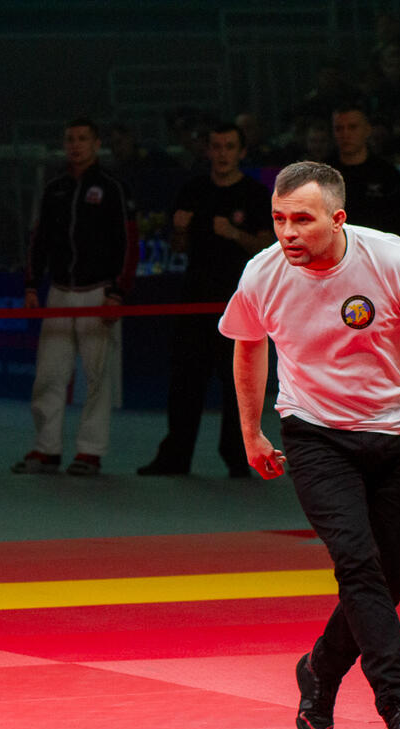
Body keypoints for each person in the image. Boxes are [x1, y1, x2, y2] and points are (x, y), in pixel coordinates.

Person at [222, 160, 400, 729]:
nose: (288, 232)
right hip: (316, 436)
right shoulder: (263, 273)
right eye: (279, 218)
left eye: (303, 220)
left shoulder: (393, 262)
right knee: (359, 567)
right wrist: (251, 433)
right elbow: (248, 346)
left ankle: (319, 667)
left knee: (394, 577)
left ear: (338, 219)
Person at [139, 122, 274, 478]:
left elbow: (267, 246)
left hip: (240, 302)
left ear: (241, 152)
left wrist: (234, 233)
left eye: (229, 146)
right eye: (216, 146)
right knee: (185, 380)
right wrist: (180, 229)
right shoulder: (194, 190)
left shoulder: (255, 194)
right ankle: (176, 456)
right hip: (195, 298)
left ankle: (239, 456)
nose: (222, 153)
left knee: (239, 384)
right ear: (208, 151)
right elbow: (178, 247)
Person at [14, 117, 137, 476]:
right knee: (48, 375)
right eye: (70, 139)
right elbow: (38, 240)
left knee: (98, 378)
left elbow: (129, 244)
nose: (75, 145)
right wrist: (32, 285)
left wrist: (117, 292)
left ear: (96, 144)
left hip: (98, 293)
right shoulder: (54, 189)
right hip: (58, 293)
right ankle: (46, 449)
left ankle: (90, 452)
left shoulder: (113, 188)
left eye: (83, 139)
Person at [329, 104, 400, 239]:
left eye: (353, 127)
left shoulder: (387, 174)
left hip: (378, 249)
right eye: (339, 128)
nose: (345, 134)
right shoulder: (323, 174)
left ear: (367, 130)